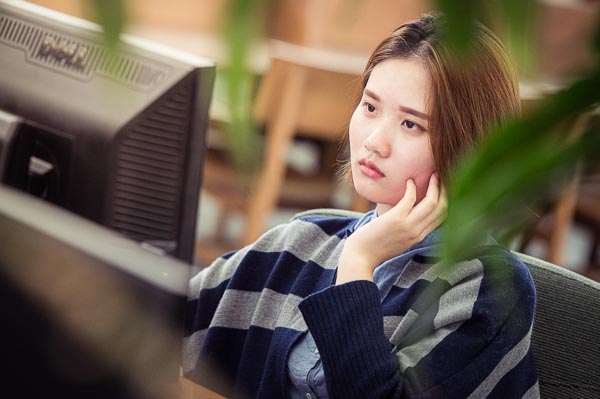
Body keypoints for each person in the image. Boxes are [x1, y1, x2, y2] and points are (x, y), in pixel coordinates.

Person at [183, 12, 539, 399]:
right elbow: (155, 309)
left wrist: (358, 262)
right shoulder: (303, 242)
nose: (373, 141)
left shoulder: (488, 288)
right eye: (370, 107)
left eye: (411, 125)